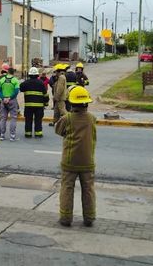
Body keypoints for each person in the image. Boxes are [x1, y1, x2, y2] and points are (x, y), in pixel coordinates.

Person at [55, 86, 96, 227]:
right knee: (88, 189)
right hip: (87, 161)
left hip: (69, 161)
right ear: (87, 103)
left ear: (71, 103)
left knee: (67, 188)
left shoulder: (67, 118)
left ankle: (66, 218)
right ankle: (89, 218)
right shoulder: (91, 119)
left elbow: (58, 130)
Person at [20, 67, 49, 138]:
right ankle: (38, 133)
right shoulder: (41, 83)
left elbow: (21, 88)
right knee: (38, 120)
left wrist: (25, 82)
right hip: (39, 107)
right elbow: (45, 94)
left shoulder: (26, 83)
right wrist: (46, 103)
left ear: (29, 75)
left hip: (28, 106)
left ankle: (28, 133)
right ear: (37, 75)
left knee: (28, 120)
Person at [0, 67, 20, 141]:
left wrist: (3, 98)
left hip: (3, 101)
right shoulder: (15, 80)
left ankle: (2, 135)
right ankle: (12, 136)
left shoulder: (2, 80)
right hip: (12, 101)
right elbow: (16, 91)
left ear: (7, 72)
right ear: (13, 73)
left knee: (3, 118)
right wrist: (10, 98)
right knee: (13, 118)